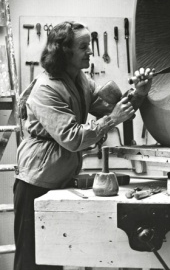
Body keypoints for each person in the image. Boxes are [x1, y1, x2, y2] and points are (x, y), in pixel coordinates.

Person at [13, 21, 153, 270]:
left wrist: (139, 93)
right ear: (64, 51)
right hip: (35, 185)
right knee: (32, 263)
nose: (91, 52)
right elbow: (74, 138)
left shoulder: (80, 80)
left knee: (55, 258)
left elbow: (115, 109)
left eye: (90, 45)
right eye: (84, 47)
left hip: (60, 182)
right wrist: (111, 120)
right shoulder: (46, 89)